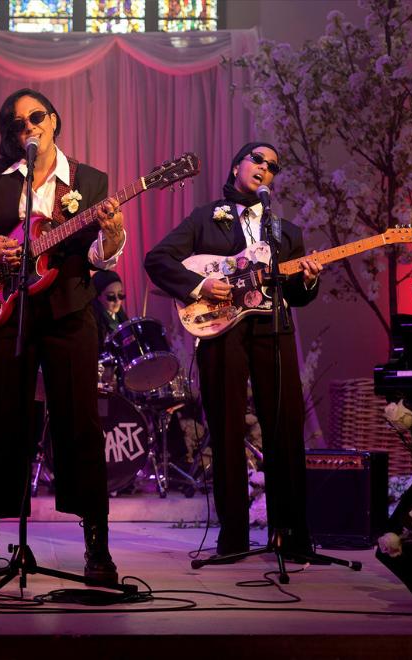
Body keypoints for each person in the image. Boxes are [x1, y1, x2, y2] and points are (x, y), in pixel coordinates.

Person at [0, 88, 126, 586]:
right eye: (17, 122)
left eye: (36, 117)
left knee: (80, 426)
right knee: (2, 425)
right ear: (12, 133)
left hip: (69, 313)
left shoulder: (90, 181)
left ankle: (98, 549)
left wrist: (111, 235)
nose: (29, 126)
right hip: (10, 315)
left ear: (54, 120)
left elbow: (97, 257)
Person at [143, 142, 322, 557]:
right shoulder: (207, 217)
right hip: (222, 331)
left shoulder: (286, 232)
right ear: (237, 164)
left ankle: (291, 534)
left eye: (273, 166)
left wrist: (308, 278)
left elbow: (297, 294)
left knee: (285, 427)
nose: (265, 168)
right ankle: (233, 537)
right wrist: (200, 285)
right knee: (225, 427)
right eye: (257, 159)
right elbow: (158, 259)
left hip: (273, 328)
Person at [91, 269, 129, 350]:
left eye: (120, 295)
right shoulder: (91, 321)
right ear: (98, 297)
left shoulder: (120, 316)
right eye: (111, 296)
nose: (117, 300)